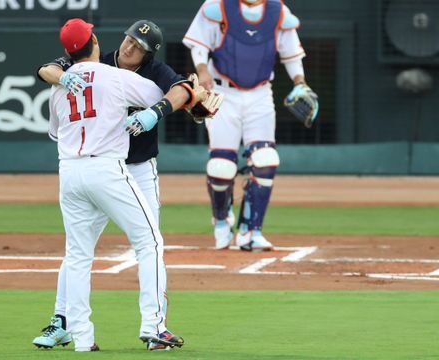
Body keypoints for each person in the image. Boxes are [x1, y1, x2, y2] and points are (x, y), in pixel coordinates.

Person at [33, 20, 199, 351]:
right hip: (109, 169)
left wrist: (65, 82)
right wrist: (192, 97)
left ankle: (82, 338)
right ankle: (151, 325)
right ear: (95, 41)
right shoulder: (117, 75)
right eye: (129, 40)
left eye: (138, 45)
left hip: (77, 170)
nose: (129, 47)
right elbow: (173, 95)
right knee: (149, 241)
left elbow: (54, 122)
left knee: (78, 254)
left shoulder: (59, 88)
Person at [183, 0, 317, 251]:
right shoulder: (218, 6)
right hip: (222, 92)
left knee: (265, 159)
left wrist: (300, 82)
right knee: (221, 166)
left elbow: (292, 54)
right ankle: (222, 220)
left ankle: (250, 230)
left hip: (260, 94)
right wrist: (202, 70)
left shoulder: (278, 12)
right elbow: (199, 45)